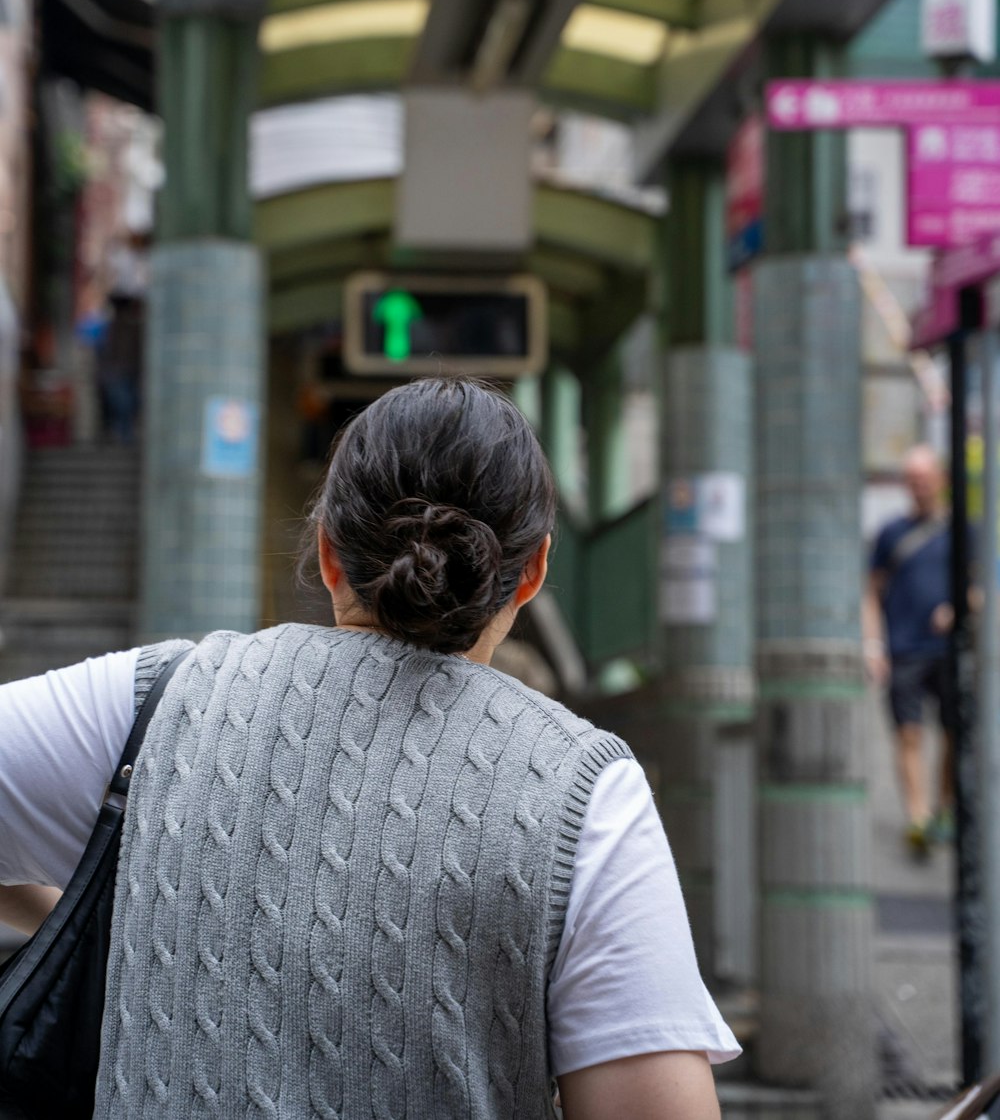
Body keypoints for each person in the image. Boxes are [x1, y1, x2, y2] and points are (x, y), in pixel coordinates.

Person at [0, 377, 737, 1119]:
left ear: (326, 553)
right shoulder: (589, 797)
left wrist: (101, 920)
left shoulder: (157, 699)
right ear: (535, 572)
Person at [863, 444, 957, 858]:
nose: (918, 487)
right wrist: (874, 645)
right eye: (912, 480)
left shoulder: (962, 531)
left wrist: (960, 608)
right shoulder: (890, 533)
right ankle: (917, 817)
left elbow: (980, 584)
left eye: (924, 478)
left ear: (940, 480)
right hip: (903, 648)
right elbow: (871, 591)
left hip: (949, 650)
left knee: (954, 734)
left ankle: (943, 807)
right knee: (909, 733)